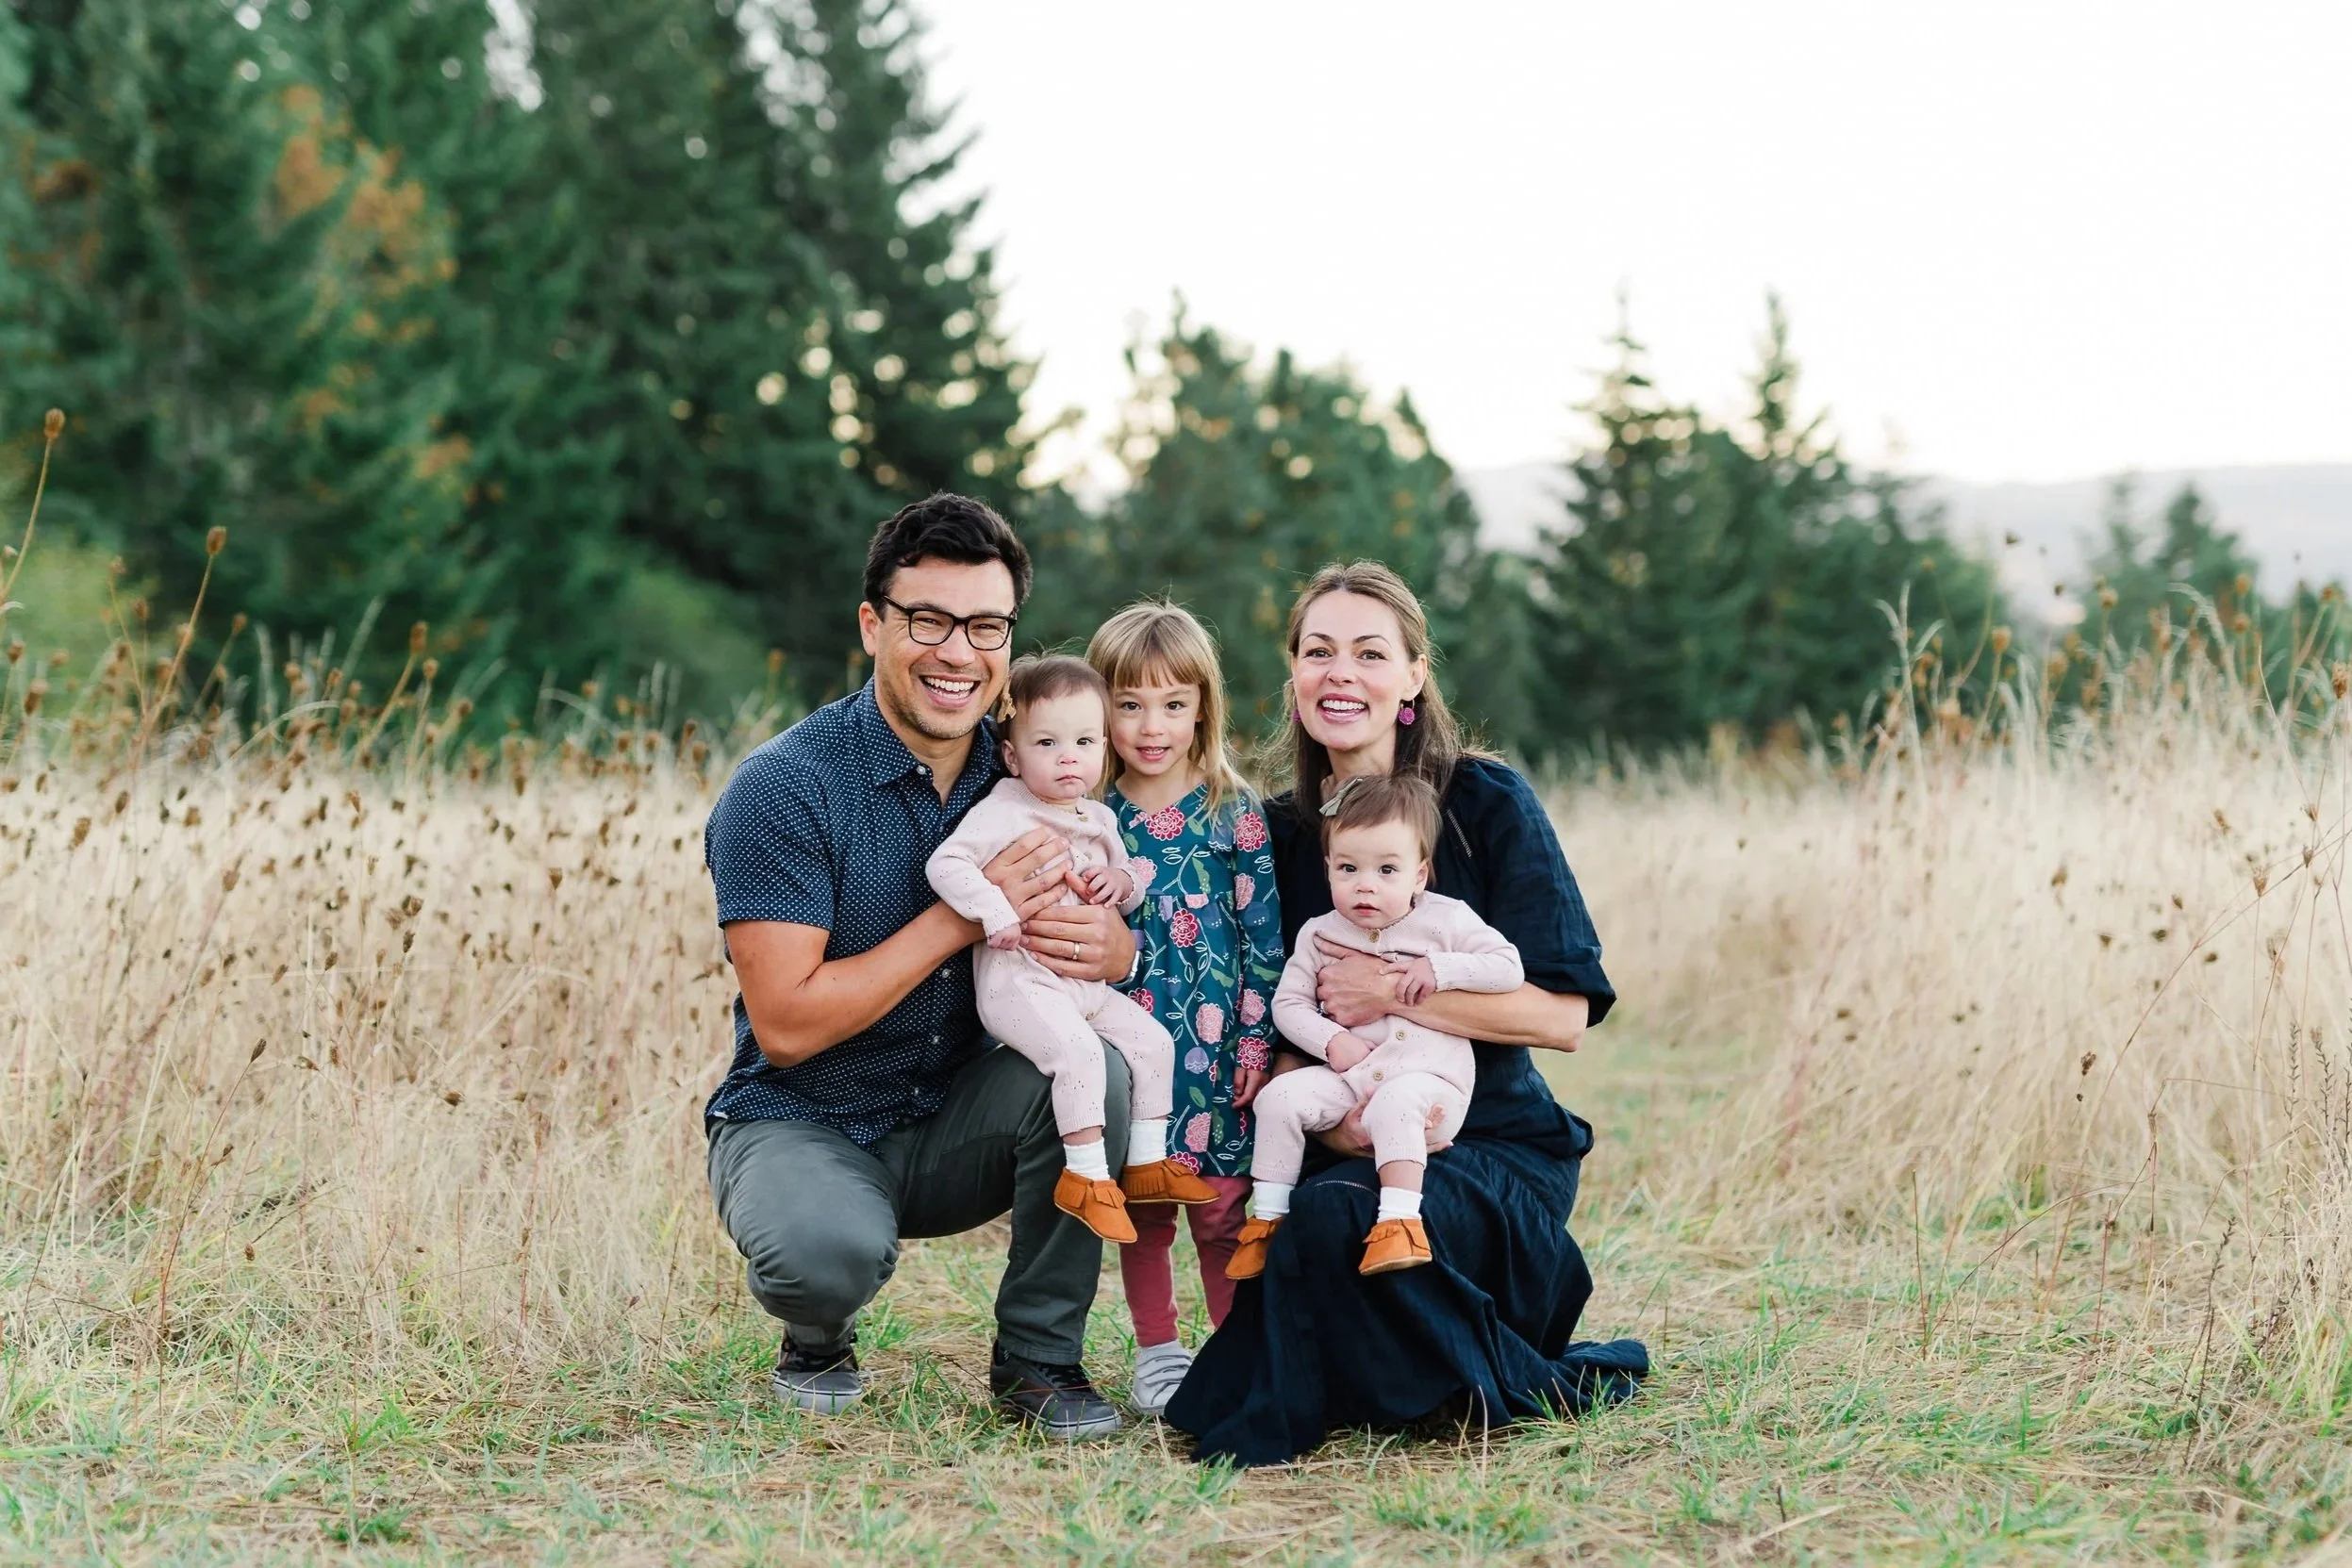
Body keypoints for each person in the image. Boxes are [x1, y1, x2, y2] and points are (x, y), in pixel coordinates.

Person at [1165, 561, 1649, 1466]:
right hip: (1346, 1136)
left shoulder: (1484, 805)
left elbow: (1563, 1015)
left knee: (1327, 1225)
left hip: (1492, 1144)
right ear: (1295, 678)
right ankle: (1396, 1380)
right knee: (1318, 1213)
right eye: (1318, 651)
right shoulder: (1269, 837)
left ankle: (1480, 1363)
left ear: (1413, 678)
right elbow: (1266, 1024)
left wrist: (1391, 990)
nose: (1338, 672)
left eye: (1368, 652)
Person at [702, 494, 1142, 1441]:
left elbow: (1108, 906)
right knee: (825, 1253)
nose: (957, 652)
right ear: (873, 625)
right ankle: (816, 1335)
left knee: (1094, 1069)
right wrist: (956, 920)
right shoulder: (783, 788)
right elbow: (785, 1023)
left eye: (985, 626)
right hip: (802, 1117)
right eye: (928, 621)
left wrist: (1117, 945)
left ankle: (1037, 1358)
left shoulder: (1026, 767)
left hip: (956, 1119)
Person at [925, 654, 1218, 1244]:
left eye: (1085, 741)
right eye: (1048, 743)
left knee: (1153, 1042)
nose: (1069, 758)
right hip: (1021, 984)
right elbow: (947, 863)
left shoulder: (1100, 816)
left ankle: (1146, 1162)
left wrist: (1125, 884)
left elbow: (1127, 878)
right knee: (1082, 1055)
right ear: (1013, 755)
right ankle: (1085, 1177)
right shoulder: (1005, 810)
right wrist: (994, 909)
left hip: (1085, 987)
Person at [1086, 602, 1284, 1417]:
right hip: (1134, 1041)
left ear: (1203, 704)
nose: (1151, 725)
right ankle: (1158, 1352)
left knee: (1221, 1212)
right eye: (1129, 704)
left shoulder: (1229, 809)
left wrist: (1254, 1045)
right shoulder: (1095, 816)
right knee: (1144, 1207)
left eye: (1173, 703)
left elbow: (1262, 936)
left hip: (1217, 1048)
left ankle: (1235, 1351)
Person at [1236, 773, 1524, 1279]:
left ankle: (1398, 1224)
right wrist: (1332, 1040)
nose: (1365, 884)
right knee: (1278, 1098)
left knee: (1397, 1103)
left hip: (1429, 1085)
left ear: (1420, 874)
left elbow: (1507, 967)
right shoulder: (1320, 932)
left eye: (1387, 869)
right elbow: (1289, 1006)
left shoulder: (1447, 922)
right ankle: (1268, 1220)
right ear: (1328, 868)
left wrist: (1441, 970)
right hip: (1349, 1078)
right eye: (1348, 868)